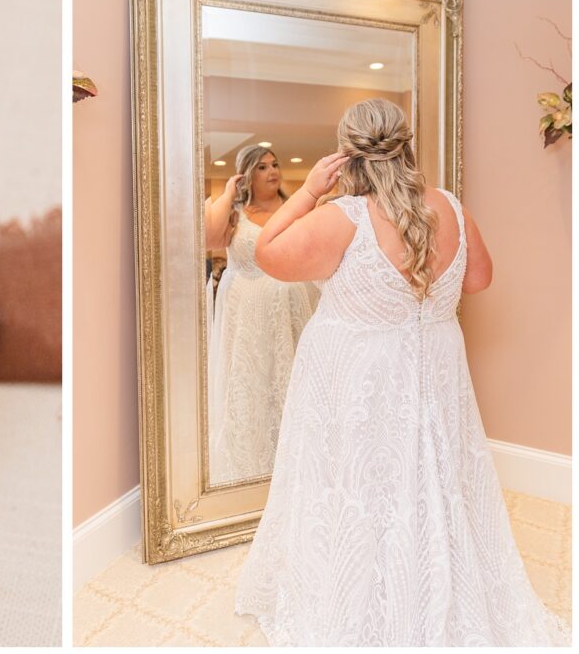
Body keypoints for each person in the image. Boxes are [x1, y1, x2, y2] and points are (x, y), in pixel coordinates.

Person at [232, 98, 569, 645]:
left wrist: (313, 189)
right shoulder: (451, 208)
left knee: (360, 484)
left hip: (360, 377)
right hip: (433, 367)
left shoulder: (340, 218)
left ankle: (370, 608)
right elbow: (478, 279)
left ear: (349, 155)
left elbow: (265, 253)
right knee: (432, 475)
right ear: (405, 146)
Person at [204, 144, 319, 485]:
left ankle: (294, 463)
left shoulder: (296, 209)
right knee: (251, 382)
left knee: (287, 378)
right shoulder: (234, 213)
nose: (272, 172)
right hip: (247, 312)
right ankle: (251, 464)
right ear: (247, 174)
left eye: (275, 164)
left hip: (290, 308)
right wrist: (228, 191)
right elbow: (209, 238)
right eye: (262, 167)